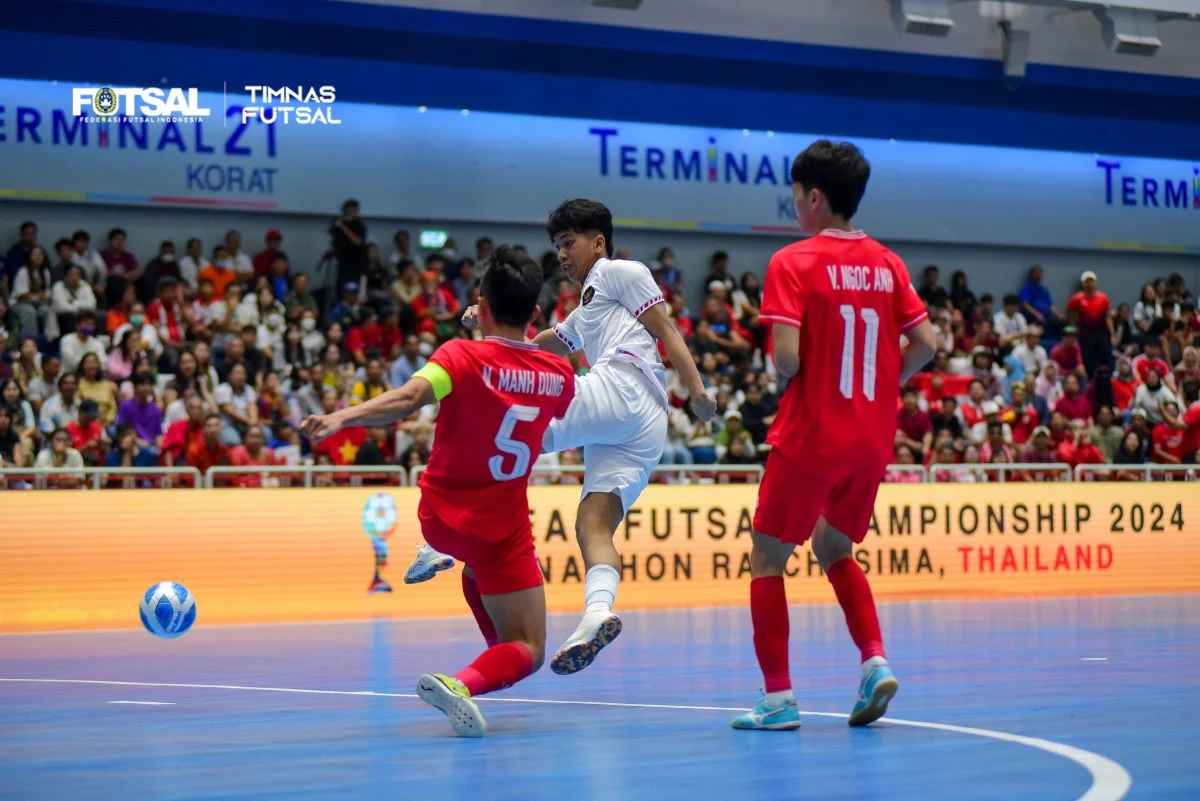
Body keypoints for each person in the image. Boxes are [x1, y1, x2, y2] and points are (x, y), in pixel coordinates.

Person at [301, 246, 576, 738]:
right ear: (534, 313)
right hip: (503, 529)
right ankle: (465, 680)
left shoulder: (458, 356)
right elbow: (527, 362)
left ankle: (444, 565)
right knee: (528, 649)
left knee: (472, 566)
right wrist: (505, 327)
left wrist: (339, 418)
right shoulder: (558, 377)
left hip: (442, 518)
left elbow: (408, 399)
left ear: (481, 306)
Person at [452, 199, 716, 675]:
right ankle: (598, 613)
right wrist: (491, 318)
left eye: (569, 243)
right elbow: (537, 341)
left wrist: (697, 391)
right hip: (641, 426)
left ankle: (444, 540)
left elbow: (666, 331)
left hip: (625, 387)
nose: (562, 255)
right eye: (557, 246)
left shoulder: (620, 272)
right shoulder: (589, 304)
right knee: (592, 524)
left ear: (598, 242)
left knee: (520, 429)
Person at [729, 140, 937, 732]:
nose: (795, 205)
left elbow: (788, 362)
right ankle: (874, 660)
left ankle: (777, 699)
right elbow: (928, 344)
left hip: (811, 433)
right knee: (835, 549)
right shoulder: (888, 262)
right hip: (871, 439)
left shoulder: (792, 262)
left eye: (796, 195)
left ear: (814, 197)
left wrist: (784, 355)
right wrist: (880, 380)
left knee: (768, 558)